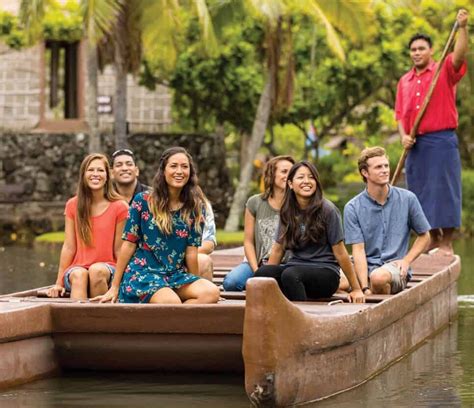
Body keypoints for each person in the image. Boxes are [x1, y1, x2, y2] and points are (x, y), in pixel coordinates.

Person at [94, 147, 220, 304]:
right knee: (171, 302)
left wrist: (193, 281)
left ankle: (178, 319)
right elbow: (128, 245)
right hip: (144, 274)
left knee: (211, 293)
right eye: (173, 166)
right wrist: (114, 286)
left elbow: (191, 254)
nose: (179, 171)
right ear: (163, 170)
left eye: (184, 166)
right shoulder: (143, 201)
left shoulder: (195, 207)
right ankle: (177, 315)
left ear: (190, 172)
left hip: (175, 275)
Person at [395, 9, 468, 255]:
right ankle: (432, 239)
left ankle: (446, 242)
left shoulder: (443, 70)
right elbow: (400, 116)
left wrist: (463, 28)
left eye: (421, 49)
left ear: (431, 51)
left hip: (441, 140)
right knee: (418, 192)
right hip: (415, 145)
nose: (417, 53)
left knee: (445, 189)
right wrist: (404, 135)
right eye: (413, 49)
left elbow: (459, 56)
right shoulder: (404, 81)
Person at [255, 161, 364, 303]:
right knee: (262, 273)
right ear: (290, 184)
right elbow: (277, 249)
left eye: (311, 177)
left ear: (316, 182)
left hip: (325, 273)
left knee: (291, 275)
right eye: (300, 177)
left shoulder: (328, 210)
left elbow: (341, 252)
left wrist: (356, 289)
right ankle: (266, 316)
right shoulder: (287, 211)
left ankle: (301, 320)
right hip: (295, 268)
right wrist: (268, 279)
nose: (306, 181)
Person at [344, 147, 431, 295]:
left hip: (393, 268)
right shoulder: (352, 207)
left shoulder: (408, 199)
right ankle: (362, 294)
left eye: (386, 166)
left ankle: (378, 299)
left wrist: (406, 261)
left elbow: (425, 236)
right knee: (336, 281)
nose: (385, 170)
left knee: (378, 278)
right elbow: (358, 250)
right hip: (363, 265)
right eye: (378, 167)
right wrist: (364, 288)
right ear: (365, 173)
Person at [48, 154, 128, 300]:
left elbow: (119, 249)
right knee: (79, 275)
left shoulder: (120, 207)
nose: (95, 174)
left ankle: (102, 321)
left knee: (96, 270)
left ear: (107, 176)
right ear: (83, 175)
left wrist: (124, 281)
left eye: (100, 170)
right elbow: (69, 247)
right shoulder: (73, 205)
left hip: (108, 268)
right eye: (91, 170)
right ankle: (78, 321)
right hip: (77, 268)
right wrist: (58, 283)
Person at [222, 155, 295, 292]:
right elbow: (248, 242)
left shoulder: (298, 205)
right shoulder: (255, 202)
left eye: (292, 172)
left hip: (287, 265)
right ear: (271, 174)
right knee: (231, 283)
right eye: (284, 172)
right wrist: (257, 271)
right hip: (257, 262)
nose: (289, 176)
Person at [197, 202, 217, 281]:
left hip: (188, 259)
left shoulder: (202, 205)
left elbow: (208, 244)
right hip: (158, 263)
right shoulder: (155, 203)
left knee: (204, 261)